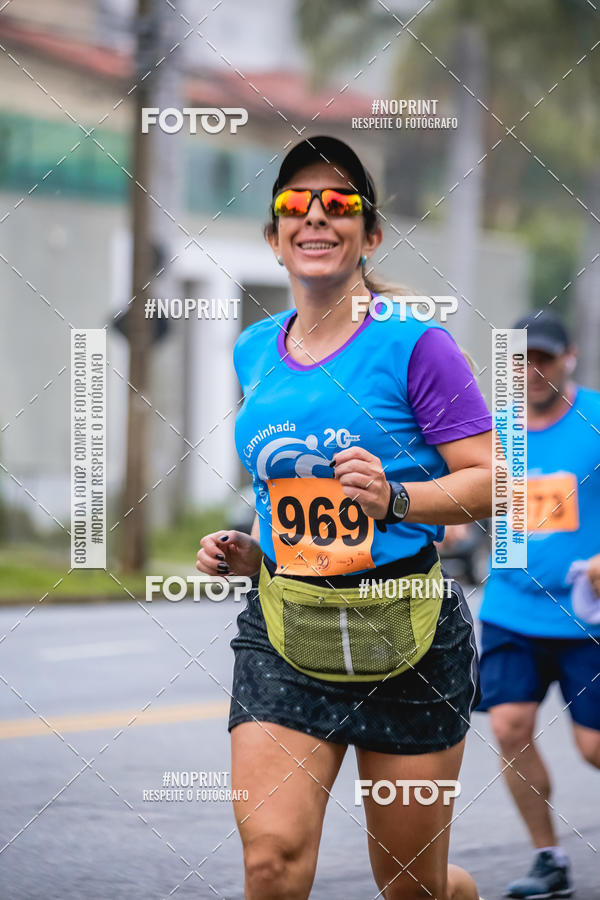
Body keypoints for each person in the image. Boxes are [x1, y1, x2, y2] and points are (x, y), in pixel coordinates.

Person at [196, 135, 493, 900]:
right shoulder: (255, 350)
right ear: (275, 237)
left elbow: (493, 482)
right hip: (286, 630)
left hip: (407, 634)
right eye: (296, 204)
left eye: (339, 203)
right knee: (271, 862)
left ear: (371, 234)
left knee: (412, 885)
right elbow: (284, 495)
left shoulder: (416, 346)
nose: (316, 215)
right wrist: (251, 549)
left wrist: (396, 499)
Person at [478, 309, 600, 899]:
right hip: (511, 609)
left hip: (586, 617)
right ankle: (549, 859)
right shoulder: (491, 430)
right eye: (520, 360)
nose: (531, 370)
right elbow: (462, 498)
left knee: (594, 749)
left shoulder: (595, 417)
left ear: (569, 357)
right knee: (509, 726)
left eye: (544, 358)